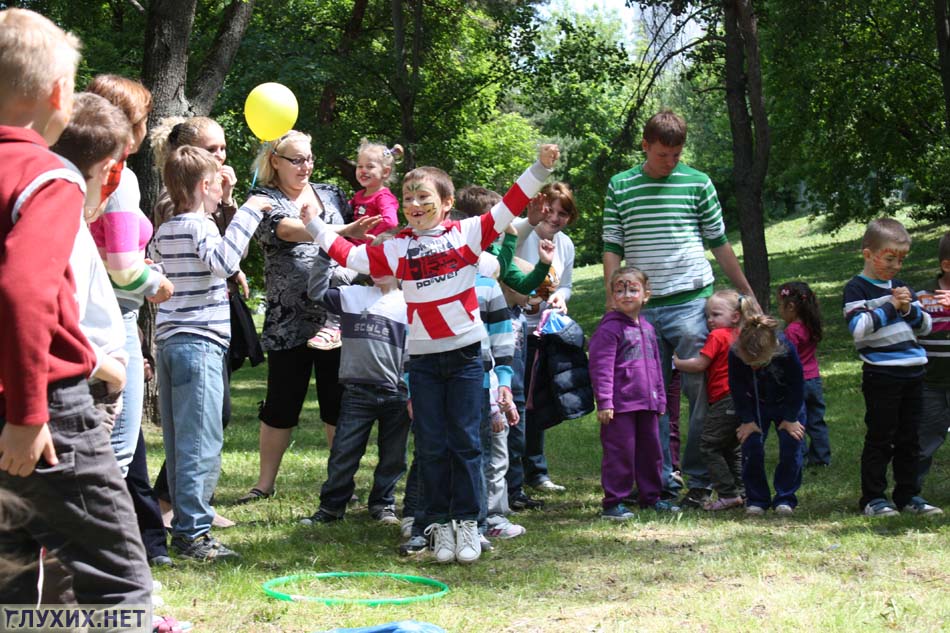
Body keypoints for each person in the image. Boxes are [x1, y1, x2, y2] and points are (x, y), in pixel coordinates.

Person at [303, 144, 559, 564]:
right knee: (432, 446)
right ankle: (437, 525)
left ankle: (469, 525)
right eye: (408, 198)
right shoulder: (398, 247)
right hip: (421, 363)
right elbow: (350, 254)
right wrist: (315, 225)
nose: (415, 205)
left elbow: (512, 202)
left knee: (466, 443)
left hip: (465, 358)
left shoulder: (469, 233)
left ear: (446, 203)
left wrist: (541, 167)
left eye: (425, 198)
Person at [0, 6, 152, 607]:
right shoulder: (49, 174)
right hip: (48, 411)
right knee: (119, 581)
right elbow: (23, 290)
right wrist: (28, 413)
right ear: (59, 93)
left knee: (17, 581)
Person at [602, 109, 757, 509]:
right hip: (642, 309)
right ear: (645, 146)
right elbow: (612, 245)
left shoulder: (698, 183)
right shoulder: (621, 186)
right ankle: (658, 482)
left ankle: (701, 480)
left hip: (691, 302)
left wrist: (744, 291)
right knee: (648, 398)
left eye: (676, 155)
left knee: (702, 394)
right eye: (661, 155)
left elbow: (718, 241)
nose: (670, 162)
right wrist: (611, 297)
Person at [152, 145, 272, 560]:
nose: (224, 191)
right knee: (200, 443)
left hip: (170, 344)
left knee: (179, 441)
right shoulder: (200, 226)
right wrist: (250, 213)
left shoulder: (164, 230)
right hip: (198, 344)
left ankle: (186, 526)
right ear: (205, 186)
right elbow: (221, 261)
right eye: (220, 184)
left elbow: (155, 278)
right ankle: (194, 533)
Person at [238, 130, 357, 505]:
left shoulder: (332, 194)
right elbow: (289, 231)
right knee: (281, 404)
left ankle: (341, 486)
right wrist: (341, 231)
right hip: (289, 318)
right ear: (275, 161)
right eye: (296, 160)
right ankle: (264, 484)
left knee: (337, 402)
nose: (305, 166)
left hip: (338, 316)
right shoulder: (263, 199)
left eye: (309, 159)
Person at [301, 231, 411, 527]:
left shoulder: (409, 303)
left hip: (397, 392)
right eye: (372, 261)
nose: (378, 269)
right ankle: (332, 506)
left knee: (393, 456)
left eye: (385, 262)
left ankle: (383, 504)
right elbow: (316, 290)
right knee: (344, 452)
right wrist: (327, 250)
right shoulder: (352, 295)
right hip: (356, 392)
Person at [843, 217, 942, 516]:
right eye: (890, 259)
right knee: (881, 437)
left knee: (909, 438)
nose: (896, 266)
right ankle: (873, 498)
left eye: (901, 260)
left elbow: (926, 326)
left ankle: (908, 495)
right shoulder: (857, 289)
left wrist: (909, 308)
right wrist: (891, 307)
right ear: (868, 254)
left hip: (914, 371)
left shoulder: (901, 287)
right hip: (882, 374)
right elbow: (859, 328)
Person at [51, 92, 131, 431]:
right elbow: (54, 321)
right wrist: (109, 370)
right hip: (83, 390)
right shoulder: (62, 222)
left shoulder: (67, 216)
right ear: (106, 169)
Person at [507, 181, 578, 507]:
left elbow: (565, 285)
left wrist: (561, 298)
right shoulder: (524, 234)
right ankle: (513, 474)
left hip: (546, 332)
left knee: (537, 404)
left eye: (564, 213)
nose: (556, 217)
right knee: (516, 402)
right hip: (516, 328)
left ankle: (536, 470)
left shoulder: (566, 245)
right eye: (551, 209)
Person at [589, 267, 673, 520]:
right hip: (620, 405)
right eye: (620, 290)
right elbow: (600, 367)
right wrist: (604, 401)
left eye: (633, 289)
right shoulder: (609, 329)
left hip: (647, 403)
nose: (626, 295)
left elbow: (658, 366)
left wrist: (660, 398)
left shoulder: (647, 328)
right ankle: (614, 502)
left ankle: (651, 497)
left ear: (646, 295)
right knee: (620, 453)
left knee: (651, 452)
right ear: (613, 296)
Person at [306, 139, 404, 351]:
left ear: (385, 172)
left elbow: (391, 221)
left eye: (370, 166)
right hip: (354, 254)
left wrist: (373, 237)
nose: (363, 171)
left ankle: (334, 326)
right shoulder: (359, 196)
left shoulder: (383, 196)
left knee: (340, 276)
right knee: (328, 275)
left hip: (370, 254)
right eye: (360, 166)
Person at [674, 290, 754, 511]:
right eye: (708, 315)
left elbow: (700, 364)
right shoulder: (742, 335)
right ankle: (744, 491)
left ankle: (727, 493)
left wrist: (678, 363)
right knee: (731, 447)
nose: (710, 320)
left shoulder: (718, 336)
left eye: (716, 314)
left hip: (724, 399)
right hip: (742, 399)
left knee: (708, 445)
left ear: (735, 316)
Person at [728, 314, 806, 516]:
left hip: (786, 404)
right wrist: (747, 420)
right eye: (749, 364)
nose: (753, 367)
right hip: (755, 405)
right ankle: (757, 499)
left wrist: (790, 418)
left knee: (791, 446)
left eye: (759, 363)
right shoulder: (735, 353)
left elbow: (797, 385)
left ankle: (785, 498)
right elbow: (736, 388)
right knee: (751, 447)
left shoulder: (786, 348)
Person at [776, 281, 830, 467]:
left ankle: (799, 457)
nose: (779, 310)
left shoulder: (792, 331)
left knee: (796, 420)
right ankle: (821, 457)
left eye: (779, 305)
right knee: (816, 419)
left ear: (790, 306)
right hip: (813, 379)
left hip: (797, 382)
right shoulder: (811, 325)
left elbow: (787, 357)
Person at [916, 232, 950, 501]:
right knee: (926, 437)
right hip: (931, 381)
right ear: (946, 265)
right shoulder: (924, 295)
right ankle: (911, 491)